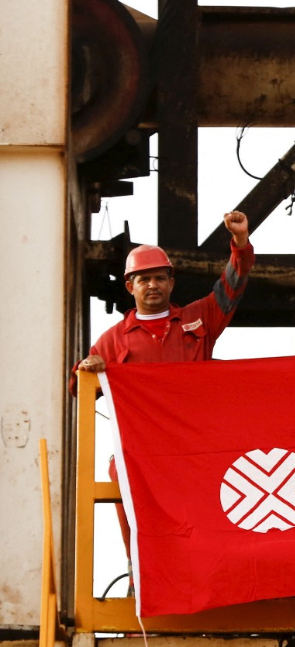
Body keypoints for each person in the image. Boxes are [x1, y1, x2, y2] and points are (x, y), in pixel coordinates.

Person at [72, 210, 255, 582]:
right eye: (143, 279)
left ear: (171, 283)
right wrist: (87, 369)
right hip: (142, 452)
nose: (152, 285)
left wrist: (239, 242)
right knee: (119, 474)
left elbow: (232, 286)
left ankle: (224, 570)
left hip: (196, 448)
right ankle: (138, 572)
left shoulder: (199, 319)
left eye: (159, 277)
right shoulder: (113, 340)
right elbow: (78, 390)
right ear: (130, 287)